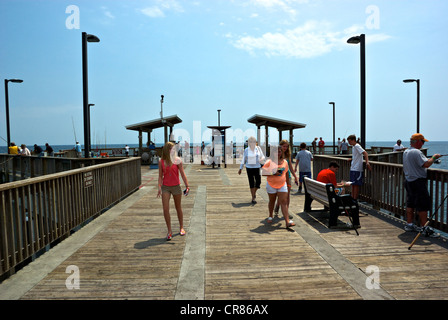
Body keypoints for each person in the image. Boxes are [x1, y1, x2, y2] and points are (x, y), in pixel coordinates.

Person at [403, 133, 441, 237]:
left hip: (409, 181)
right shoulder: (416, 152)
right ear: (418, 141)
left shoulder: (406, 151)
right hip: (418, 182)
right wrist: (434, 157)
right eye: (423, 141)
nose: (423, 144)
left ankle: (409, 224)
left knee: (410, 203)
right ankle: (425, 228)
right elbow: (426, 164)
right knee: (422, 205)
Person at [157, 142, 190, 241]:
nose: (174, 150)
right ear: (167, 150)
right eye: (172, 148)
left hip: (176, 186)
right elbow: (160, 176)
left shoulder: (178, 160)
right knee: (165, 209)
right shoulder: (161, 161)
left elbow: (183, 174)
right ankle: (169, 231)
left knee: (178, 207)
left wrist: (187, 186)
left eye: (174, 149)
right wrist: (159, 187)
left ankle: (181, 227)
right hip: (165, 187)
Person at [261, 146, 295, 229]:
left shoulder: (285, 162)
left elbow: (286, 173)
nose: (278, 153)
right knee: (272, 201)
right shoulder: (269, 162)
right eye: (276, 151)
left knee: (284, 202)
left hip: (282, 184)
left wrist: (288, 184)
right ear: (273, 153)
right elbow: (263, 172)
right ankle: (270, 215)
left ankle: (287, 221)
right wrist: (273, 173)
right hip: (271, 184)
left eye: (279, 151)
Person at [238, 136, 265, 204]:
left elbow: (263, 156)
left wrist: (261, 159)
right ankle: (253, 197)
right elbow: (244, 159)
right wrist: (240, 168)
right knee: (251, 183)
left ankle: (254, 193)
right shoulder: (246, 150)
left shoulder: (258, 148)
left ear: (255, 142)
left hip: (257, 167)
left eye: (253, 141)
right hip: (249, 167)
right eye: (250, 142)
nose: (252, 143)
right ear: (249, 143)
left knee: (258, 182)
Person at [275, 140, 298, 212]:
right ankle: (278, 205)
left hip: (288, 177)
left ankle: (286, 211)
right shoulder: (277, 154)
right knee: (280, 194)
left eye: (286, 146)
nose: (285, 148)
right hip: (279, 177)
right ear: (280, 146)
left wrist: (295, 176)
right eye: (283, 146)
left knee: (287, 195)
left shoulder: (288, 155)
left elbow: (290, 167)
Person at [347, 134, 371, 200]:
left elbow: (365, 153)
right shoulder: (354, 147)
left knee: (356, 185)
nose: (349, 143)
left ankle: (354, 199)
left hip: (357, 169)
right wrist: (351, 159)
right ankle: (352, 198)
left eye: (349, 141)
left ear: (353, 140)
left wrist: (367, 162)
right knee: (353, 184)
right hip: (353, 168)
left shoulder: (357, 146)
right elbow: (356, 156)